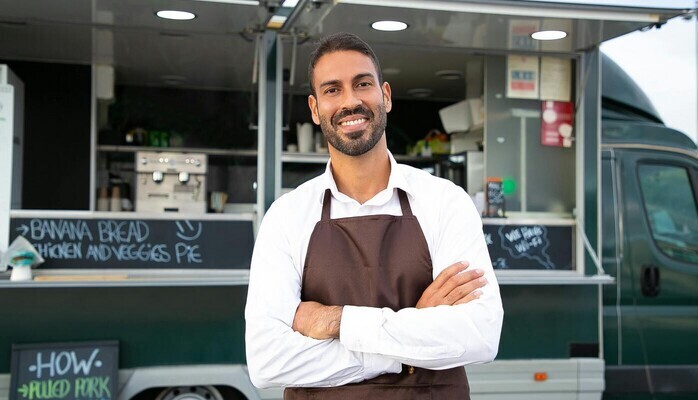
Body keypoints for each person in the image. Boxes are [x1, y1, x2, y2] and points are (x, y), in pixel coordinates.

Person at [245, 32, 503, 399]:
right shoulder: (287, 217)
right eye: (332, 90)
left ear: (385, 95)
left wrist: (336, 321)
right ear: (315, 109)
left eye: (362, 84)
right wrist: (407, 345)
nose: (350, 101)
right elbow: (268, 362)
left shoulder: (445, 202)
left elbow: (480, 336)